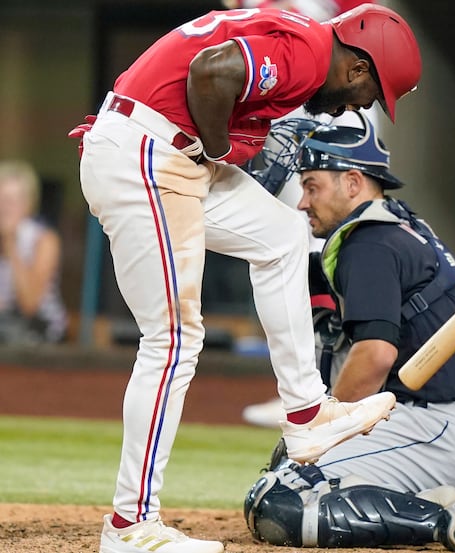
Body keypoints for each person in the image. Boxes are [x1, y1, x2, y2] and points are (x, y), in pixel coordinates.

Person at [66, 4, 422, 553]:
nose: (361, 105)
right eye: (371, 92)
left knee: (282, 234)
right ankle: (130, 526)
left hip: (166, 152)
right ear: (356, 67)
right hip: (150, 156)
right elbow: (212, 71)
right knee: (173, 341)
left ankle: (306, 412)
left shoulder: (303, 39)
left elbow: (214, 71)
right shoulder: (309, 54)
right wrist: (223, 147)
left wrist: (219, 148)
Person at [242, 112, 455, 553]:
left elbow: (375, 355)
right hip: (440, 418)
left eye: (312, 186)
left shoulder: (369, 243)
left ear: (352, 183)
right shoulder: (398, 227)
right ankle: (428, 503)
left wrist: (323, 425)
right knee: (287, 475)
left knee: (280, 500)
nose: (302, 203)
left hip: (441, 423)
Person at [0, 160, 67, 344]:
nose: (5, 208)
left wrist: (10, 243)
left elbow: (30, 303)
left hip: (40, 333)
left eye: (12, 201)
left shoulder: (44, 240)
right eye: (2, 199)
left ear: (28, 204)